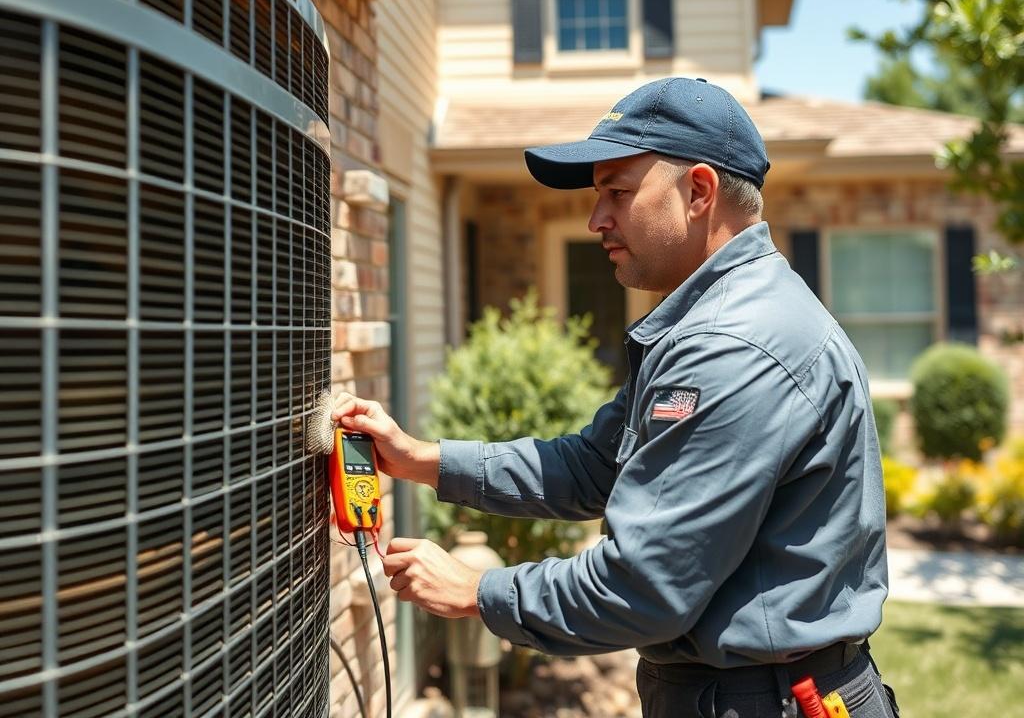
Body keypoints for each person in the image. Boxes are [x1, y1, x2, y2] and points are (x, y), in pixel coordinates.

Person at [331, 77, 899, 718]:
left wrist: (478, 590)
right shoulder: (710, 321)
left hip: (767, 701)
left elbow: (645, 585)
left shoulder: (732, 346)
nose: (596, 218)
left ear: (699, 192)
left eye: (618, 193)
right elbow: (595, 466)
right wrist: (422, 460)